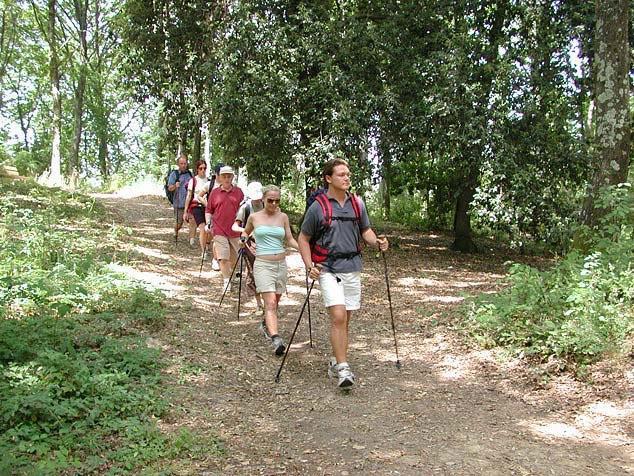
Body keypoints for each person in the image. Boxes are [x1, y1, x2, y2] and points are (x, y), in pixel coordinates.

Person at [298, 158, 388, 389]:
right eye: (341, 174)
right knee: (338, 317)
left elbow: (365, 231)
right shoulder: (318, 206)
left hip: (352, 267)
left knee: (345, 320)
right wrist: (309, 265)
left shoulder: (357, 204)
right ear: (329, 178)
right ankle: (343, 367)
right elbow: (304, 238)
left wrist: (377, 242)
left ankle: (336, 361)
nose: (347, 178)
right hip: (328, 268)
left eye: (348, 174)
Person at [242, 185, 299, 355]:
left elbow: (289, 239)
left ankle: (266, 324)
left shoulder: (283, 217)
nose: (274, 204)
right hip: (263, 264)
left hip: (281, 264)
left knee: (276, 301)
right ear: (263, 199)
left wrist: (305, 251)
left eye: (277, 201)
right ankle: (276, 338)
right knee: (271, 302)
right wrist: (244, 239)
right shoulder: (254, 217)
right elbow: (245, 232)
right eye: (270, 200)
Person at [205, 166, 244, 292]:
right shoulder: (215, 193)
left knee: (234, 258)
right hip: (219, 229)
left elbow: (244, 209)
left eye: (229, 176)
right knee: (223, 257)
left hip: (235, 230)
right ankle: (226, 281)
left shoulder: (239, 192)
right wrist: (208, 223)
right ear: (220, 178)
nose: (226, 179)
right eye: (224, 176)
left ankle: (231, 274)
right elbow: (209, 210)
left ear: (232, 177)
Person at [232, 181, 265, 315]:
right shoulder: (245, 208)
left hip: (266, 244)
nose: (257, 200)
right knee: (253, 272)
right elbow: (234, 227)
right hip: (251, 245)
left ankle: (267, 300)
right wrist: (247, 231)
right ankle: (259, 303)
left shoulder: (265, 205)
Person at [167, 153, 195, 243]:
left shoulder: (190, 174)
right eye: (181, 163)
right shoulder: (174, 174)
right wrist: (175, 186)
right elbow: (169, 188)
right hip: (178, 203)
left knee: (191, 221)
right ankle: (175, 231)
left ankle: (191, 240)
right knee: (179, 223)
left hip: (190, 203)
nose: (183, 165)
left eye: (185, 163)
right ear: (178, 164)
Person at [183, 160, 210, 252]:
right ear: (197, 169)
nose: (203, 170)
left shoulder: (209, 181)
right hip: (196, 206)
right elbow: (189, 195)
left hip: (206, 207)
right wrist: (185, 211)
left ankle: (204, 243)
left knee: (207, 227)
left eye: (204, 168)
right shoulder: (193, 180)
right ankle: (203, 250)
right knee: (202, 227)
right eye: (200, 168)